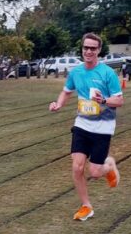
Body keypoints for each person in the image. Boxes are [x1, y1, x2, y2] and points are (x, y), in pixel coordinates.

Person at [49, 32, 124, 221]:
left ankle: (109, 166)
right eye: (86, 47)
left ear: (99, 50)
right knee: (77, 167)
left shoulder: (107, 73)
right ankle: (86, 206)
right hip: (82, 124)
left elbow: (119, 100)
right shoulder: (76, 72)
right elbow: (66, 92)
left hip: (103, 127)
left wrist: (104, 100)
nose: (88, 51)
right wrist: (58, 104)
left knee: (95, 172)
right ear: (82, 49)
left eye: (93, 48)